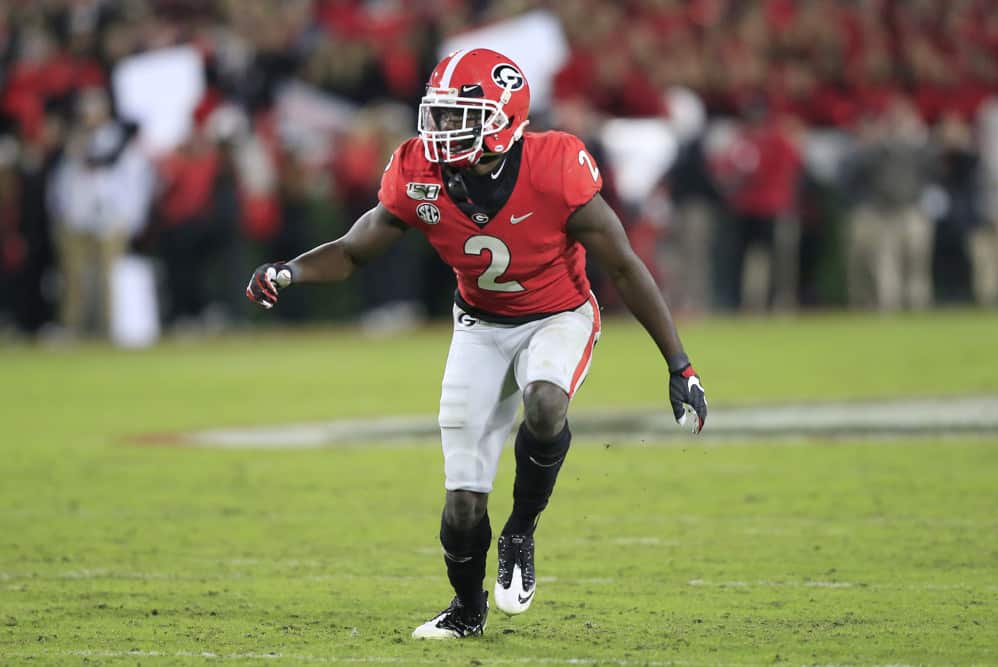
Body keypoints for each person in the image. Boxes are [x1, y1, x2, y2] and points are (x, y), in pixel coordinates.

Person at [245, 49, 708, 639]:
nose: (440, 130)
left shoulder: (554, 164)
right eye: (437, 115)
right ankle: (467, 611)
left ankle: (521, 530)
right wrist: (290, 271)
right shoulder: (419, 171)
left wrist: (679, 364)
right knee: (462, 502)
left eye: (459, 116)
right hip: (480, 327)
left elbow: (623, 265)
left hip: (558, 315)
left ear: (503, 119)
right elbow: (356, 248)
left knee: (545, 400)